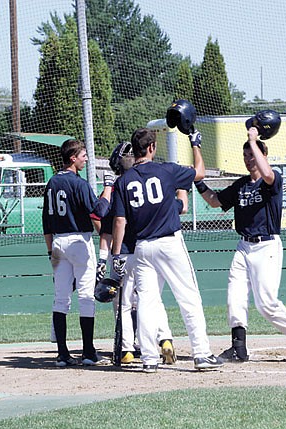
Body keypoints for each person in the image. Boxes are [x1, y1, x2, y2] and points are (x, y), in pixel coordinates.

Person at [193, 127, 286, 363]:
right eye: (246, 156)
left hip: (266, 246)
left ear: (262, 155)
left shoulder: (272, 180)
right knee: (234, 296)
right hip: (244, 246)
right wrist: (198, 182)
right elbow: (216, 201)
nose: (249, 160)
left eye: (253, 155)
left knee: (266, 303)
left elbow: (267, 174)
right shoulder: (241, 185)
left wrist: (253, 140)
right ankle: (238, 348)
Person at [110, 127, 223, 373]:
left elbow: (119, 221)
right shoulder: (166, 170)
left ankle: (149, 359)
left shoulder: (123, 181)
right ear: (151, 148)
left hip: (141, 247)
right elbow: (200, 172)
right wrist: (195, 144)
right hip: (169, 242)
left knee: (147, 303)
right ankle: (202, 354)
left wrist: (116, 255)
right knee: (188, 297)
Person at [97, 141, 183, 365]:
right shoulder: (148, 182)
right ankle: (165, 339)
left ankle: (126, 349)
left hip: (126, 253)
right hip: (150, 249)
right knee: (152, 300)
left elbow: (108, 223)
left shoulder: (120, 188)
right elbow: (180, 207)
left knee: (125, 304)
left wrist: (108, 258)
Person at [43, 139, 113, 367]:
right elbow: (100, 210)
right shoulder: (79, 183)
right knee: (85, 296)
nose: (85, 158)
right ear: (72, 158)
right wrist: (109, 188)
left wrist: (49, 251)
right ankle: (88, 352)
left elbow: (46, 222)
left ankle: (62, 354)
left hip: (57, 243)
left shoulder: (52, 182)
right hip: (78, 242)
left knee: (61, 299)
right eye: (82, 155)